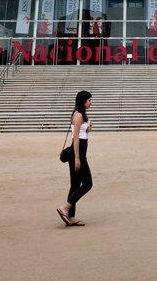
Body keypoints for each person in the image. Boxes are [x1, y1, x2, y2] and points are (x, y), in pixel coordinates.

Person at [57, 90, 93, 226]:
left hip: (79, 152)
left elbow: (83, 133)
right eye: (89, 100)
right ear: (83, 101)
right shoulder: (78, 115)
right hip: (77, 153)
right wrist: (77, 158)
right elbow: (76, 138)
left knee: (75, 185)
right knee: (88, 183)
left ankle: (70, 217)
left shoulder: (82, 114)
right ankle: (65, 207)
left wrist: (88, 128)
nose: (91, 103)